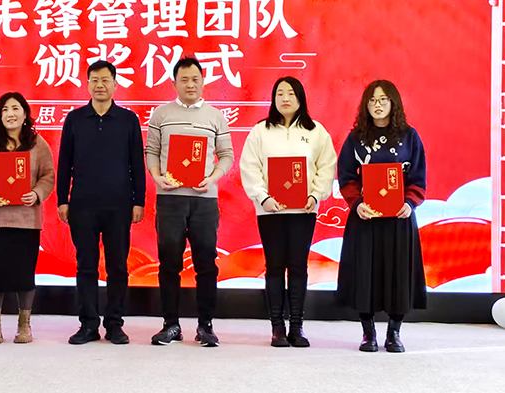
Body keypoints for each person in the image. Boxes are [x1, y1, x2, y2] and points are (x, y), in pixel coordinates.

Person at [239, 76, 336, 347]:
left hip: (303, 211)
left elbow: (326, 166)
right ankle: (277, 327)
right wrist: (263, 197)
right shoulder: (260, 131)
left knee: (298, 266)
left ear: (301, 98)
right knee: (274, 266)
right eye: (280, 93)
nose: (285, 98)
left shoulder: (316, 131)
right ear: (273, 99)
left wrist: (315, 195)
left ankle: (296, 326)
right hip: (270, 211)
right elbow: (250, 166)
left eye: (291, 93)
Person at [145, 57, 234, 347]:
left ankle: (205, 326)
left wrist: (213, 178)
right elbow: (151, 151)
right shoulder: (161, 114)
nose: (190, 84)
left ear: (203, 81)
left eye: (195, 78)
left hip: (204, 200)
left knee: (206, 263)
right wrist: (157, 177)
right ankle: (170, 324)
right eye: (184, 79)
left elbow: (227, 155)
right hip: (170, 199)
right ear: (174, 83)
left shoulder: (216, 117)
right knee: (169, 263)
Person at [57, 60, 146, 345]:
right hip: (82, 204)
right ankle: (88, 324)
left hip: (119, 205)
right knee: (86, 265)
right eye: (94, 80)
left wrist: (139, 201)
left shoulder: (128, 120)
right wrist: (62, 199)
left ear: (115, 84)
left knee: (118, 266)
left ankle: (115, 324)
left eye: (105, 80)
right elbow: (64, 163)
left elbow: (137, 163)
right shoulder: (75, 119)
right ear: (87, 84)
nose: (99, 85)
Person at [336, 80, 427, 353]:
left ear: (393, 103)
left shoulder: (410, 136)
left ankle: (394, 333)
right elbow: (346, 177)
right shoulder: (356, 138)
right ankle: (368, 333)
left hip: (399, 218)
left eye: (383, 99)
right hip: (366, 217)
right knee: (365, 274)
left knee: (399, 275)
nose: (377, 105)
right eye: (372, 100)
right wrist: (357, 204)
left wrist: (410, 203)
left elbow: (418, 177)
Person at [0, 92, 54, 344]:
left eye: (15, 108)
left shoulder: (38, 144)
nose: (10, 114)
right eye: (4, 110)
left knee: (24, 274)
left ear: (25, 114)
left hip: (26, 220)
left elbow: (48, 175)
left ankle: (24, 326)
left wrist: (36, 193)